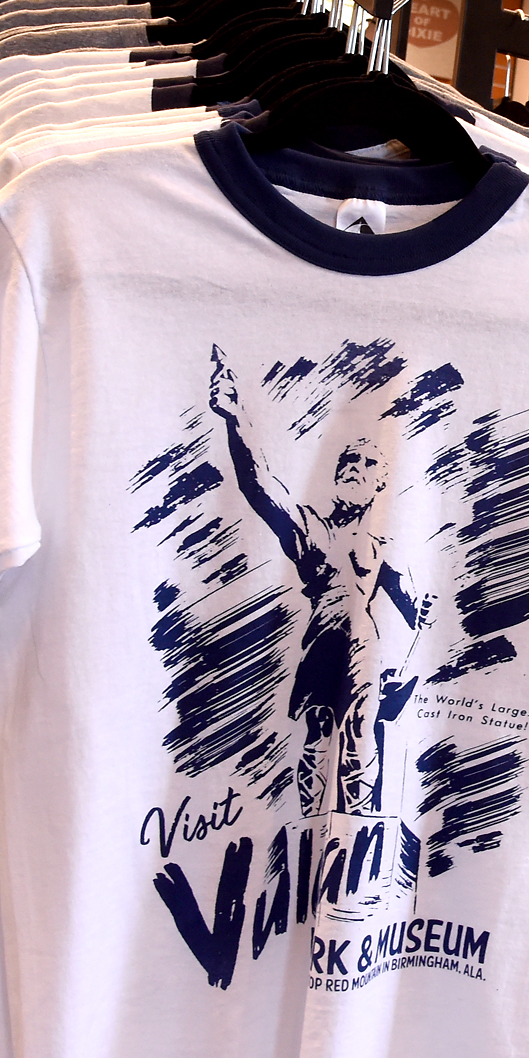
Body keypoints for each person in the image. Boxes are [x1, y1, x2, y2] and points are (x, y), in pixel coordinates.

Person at [208, 347, 432, 819]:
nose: (355, 468)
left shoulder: (381, 547)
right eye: (349, 459)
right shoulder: (312, 530)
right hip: (323, 640)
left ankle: (353, 828)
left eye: (368, 464)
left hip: (366, 648)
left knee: (360, 735)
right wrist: (235, 417)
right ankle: (311, 823)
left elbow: (420, 615)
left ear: (381, 482)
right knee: (319, 733)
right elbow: (259, 485)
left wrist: (407, 669)